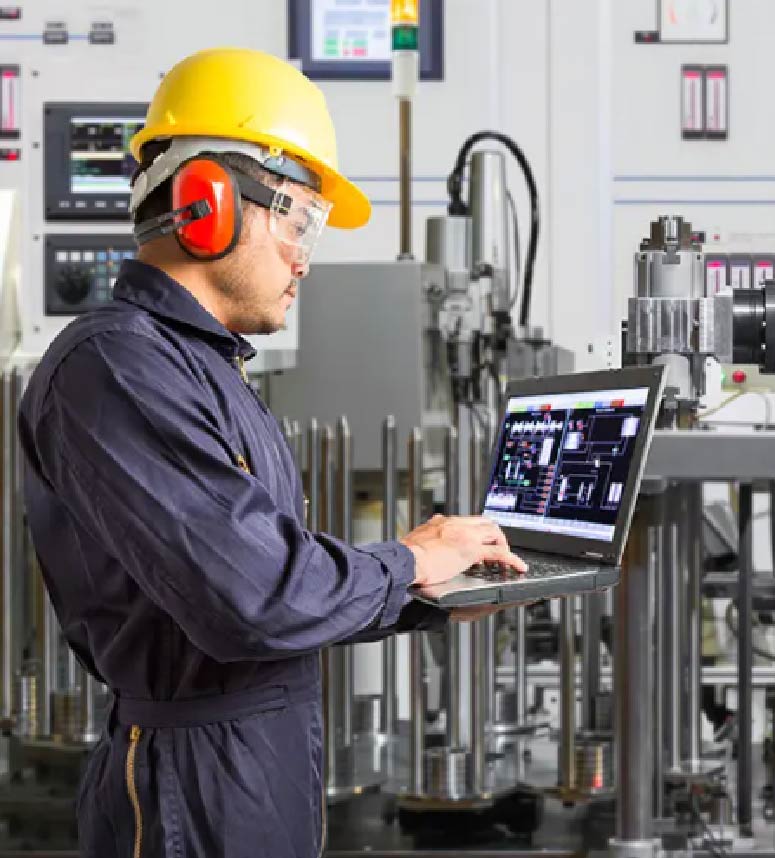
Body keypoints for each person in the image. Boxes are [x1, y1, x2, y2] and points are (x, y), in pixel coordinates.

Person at [17, 48, 526, 858]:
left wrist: (435, 592)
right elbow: (254, 598)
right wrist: (406, 559)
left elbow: (272, 581)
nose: (304, 258)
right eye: (299, 221)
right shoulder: (115, 367)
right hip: (192, 787)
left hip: (256, 760)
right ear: (207, 202)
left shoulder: (203, 366)